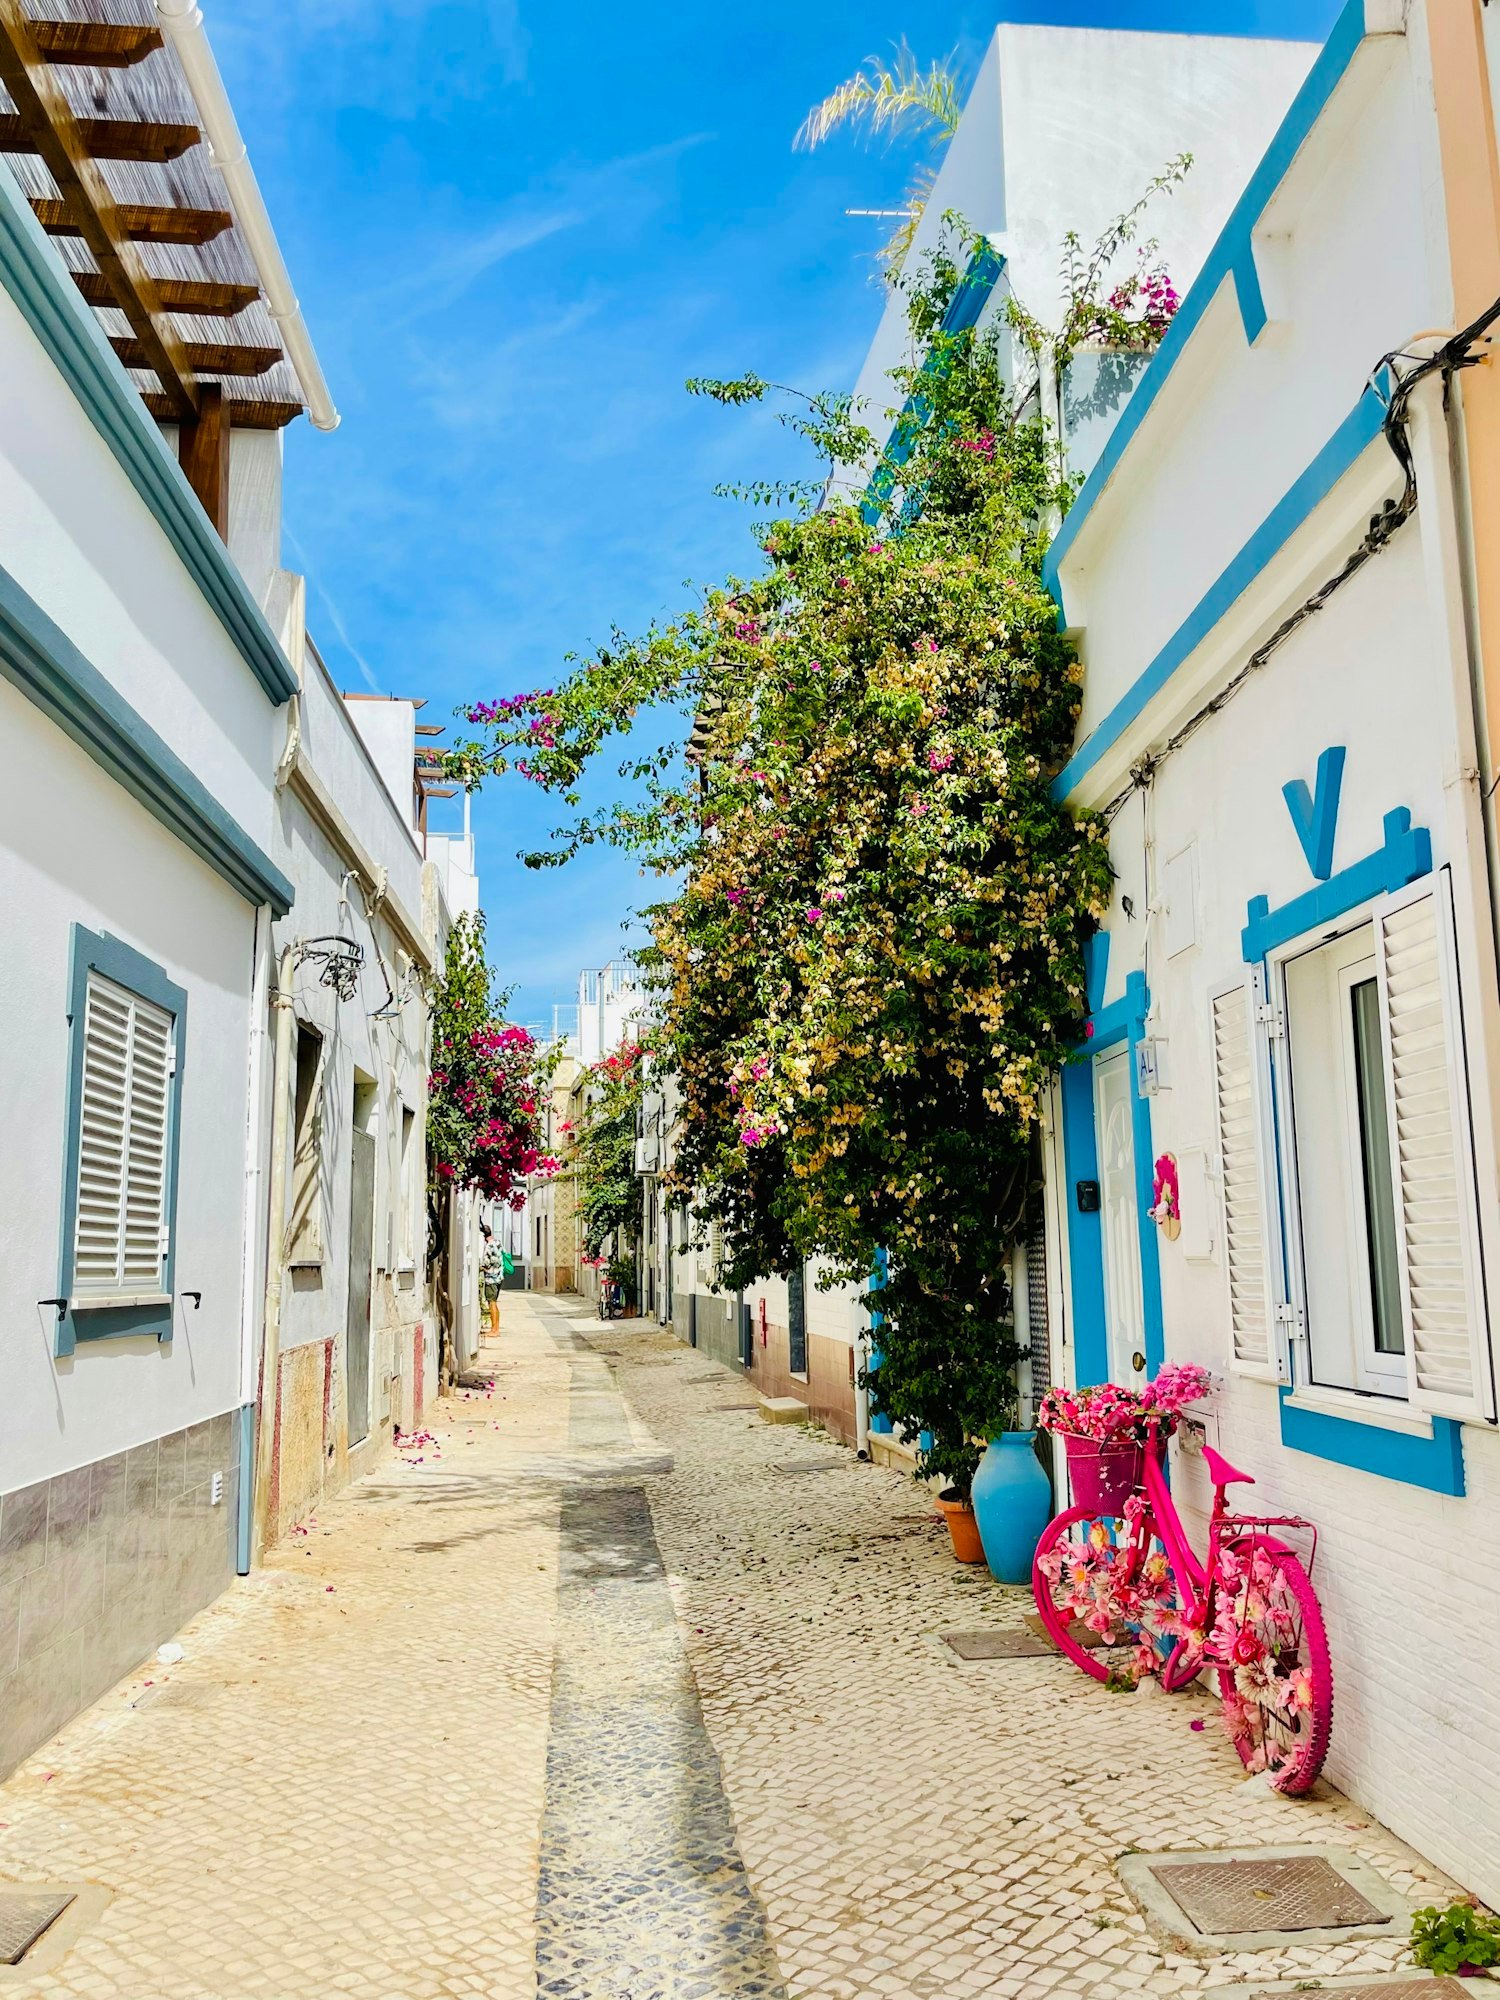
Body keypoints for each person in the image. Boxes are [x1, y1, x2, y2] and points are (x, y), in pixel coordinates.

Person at [480, 1225, 504, 1336]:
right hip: (499, 1276)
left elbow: (486, 1263)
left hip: (491, 1278)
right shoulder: (498, 1243)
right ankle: (496, 1328)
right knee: (494, 1302)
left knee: (492, 1303)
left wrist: (480, 1267)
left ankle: (494, 1330)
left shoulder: (488, 1246)